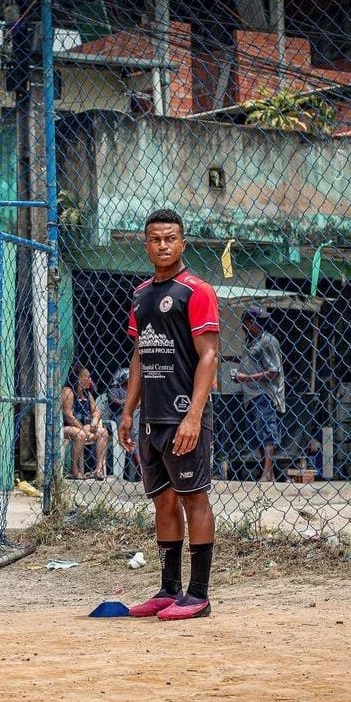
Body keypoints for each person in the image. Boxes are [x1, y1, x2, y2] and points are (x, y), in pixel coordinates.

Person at [118, 208, 219, 621]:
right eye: (156, 239)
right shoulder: (141, 296)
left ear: (183, 242)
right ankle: (168, 589)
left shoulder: (197, 291)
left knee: (194, 496)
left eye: (170, 238)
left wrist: (194, 416)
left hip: (184, 416)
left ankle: (198, 595)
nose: (163, 245)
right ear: (146, 244)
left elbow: (209, 355)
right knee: (162, 499)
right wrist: (127, 411)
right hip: (151, 418)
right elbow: (140, 355)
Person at [233, 305, 285, 482]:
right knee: (260, 433)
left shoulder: (268, 341)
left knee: (267, 432)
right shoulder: (251, 342)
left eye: (254, 322)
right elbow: (248, 360)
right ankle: (269, 473)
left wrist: (246, 377)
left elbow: (274, 371)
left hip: (265, 394)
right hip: (252, 396)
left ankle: (267, 471)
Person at [61, 363, 109, 480]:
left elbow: (96, 411)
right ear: (78, 378)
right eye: (87, 377)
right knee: (80, 434)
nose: (90, 380)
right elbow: (68, 416)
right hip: (67, 427)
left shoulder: (87, 394)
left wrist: (95, 421)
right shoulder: (68, 391)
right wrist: (83, 429)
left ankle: (98, 469)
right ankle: (74, 469)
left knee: (103, 432)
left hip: (83, 427)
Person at [108, 368, 140, 479]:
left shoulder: (133, 391)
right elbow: (116, 401)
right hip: (119, 418)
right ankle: (141, 468)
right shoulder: (115, 390)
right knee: (134, 431)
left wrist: (130, 403)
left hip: (135, 416)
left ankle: (142, 467)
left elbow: (139, 402)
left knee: (137, 426)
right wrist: (130, 404)